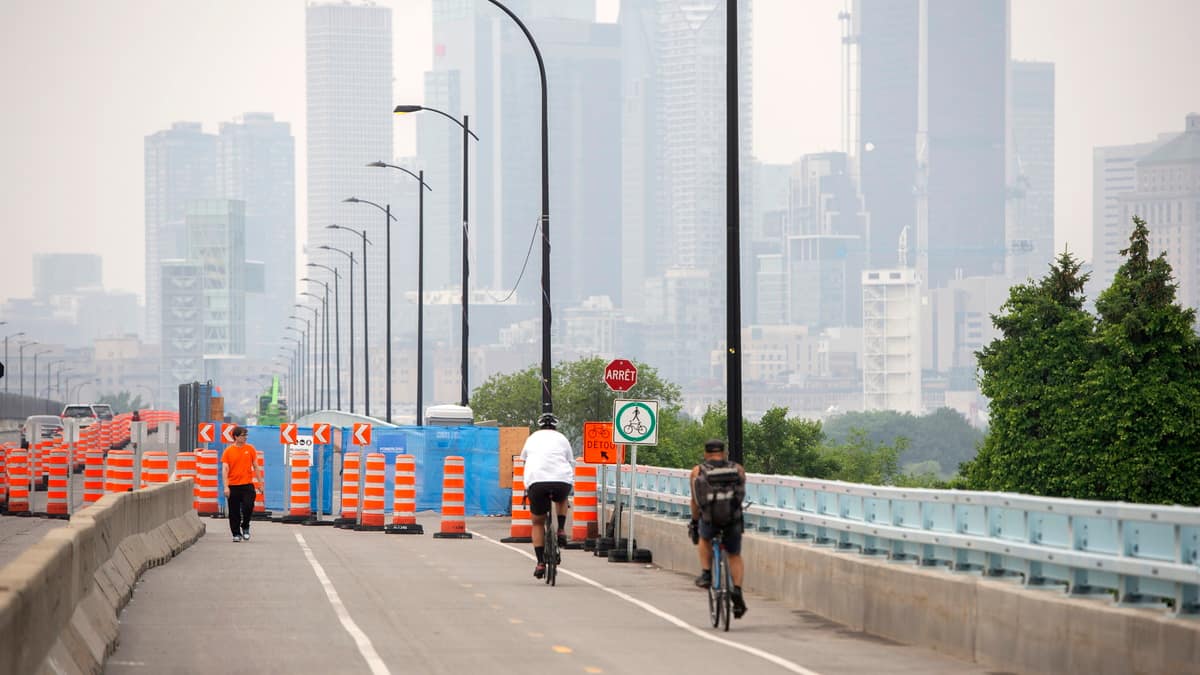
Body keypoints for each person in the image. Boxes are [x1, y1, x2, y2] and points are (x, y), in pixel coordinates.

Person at [689, 438, 748, 618]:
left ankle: (706, 574)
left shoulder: (698, 471)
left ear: (706, 453)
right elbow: (740, 495)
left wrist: (695, 522)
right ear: (724, 453)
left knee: (704, 539)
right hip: (733, 519)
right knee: (734, 555)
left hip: (710, 518)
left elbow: (695, 501)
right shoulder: (738, 469)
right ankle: (736, 590)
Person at [520, 412, 575, 579]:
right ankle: (560, 530)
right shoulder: (562, 438)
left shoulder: (532, 438)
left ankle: (540, 563)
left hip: (537, 482)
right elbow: (570, 461)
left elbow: (524, 460)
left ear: (540, 426)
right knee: (562, 497)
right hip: (561, 482)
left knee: (537, 522)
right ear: (555, 426)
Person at [221, 426, 263, 542]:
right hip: (233, 486)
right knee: (234, 512)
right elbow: (225, 469)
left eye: (246, 435)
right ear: (236, 437)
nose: (245, 438)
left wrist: (260, 483)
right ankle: (236, 534)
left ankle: (245, 526)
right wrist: (226, 487)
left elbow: (256, 466)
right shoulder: (228, 451)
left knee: (248, 507)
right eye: (243, 435)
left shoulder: (250, 449)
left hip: (247, 485)